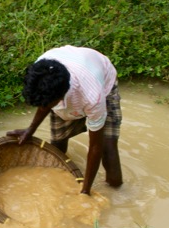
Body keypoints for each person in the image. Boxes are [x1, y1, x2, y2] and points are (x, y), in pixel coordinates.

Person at [7, 45, 123, 195]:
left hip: (103, 82)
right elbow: (44, 102)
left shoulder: (93, 96)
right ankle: (58, 180)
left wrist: (85, 191)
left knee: (108, 149)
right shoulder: (42, 71)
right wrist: (31, 129)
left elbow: (95, 147)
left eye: (49, 104)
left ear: (60, 97)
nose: (44, 107)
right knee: (57, 143)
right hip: (75, 73)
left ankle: (118, 192)